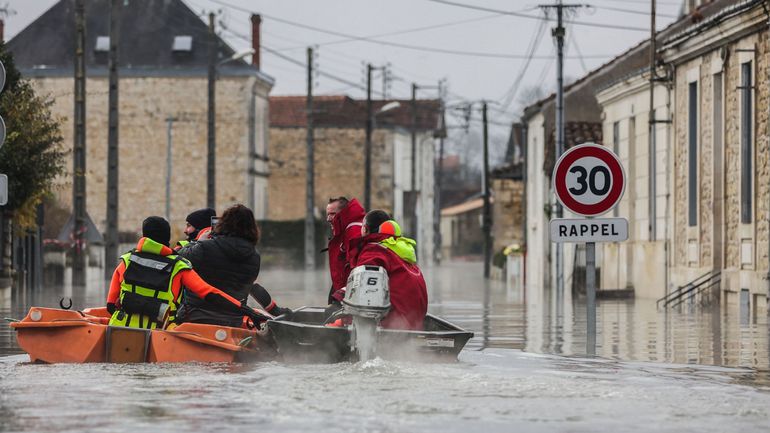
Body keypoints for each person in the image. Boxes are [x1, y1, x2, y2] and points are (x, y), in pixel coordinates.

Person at [106, 216, 263, 330]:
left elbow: (111, 305)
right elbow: (210, 293)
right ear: (166, 238)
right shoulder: (179, 266)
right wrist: (248, 311)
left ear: (144, 236)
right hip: (161, 332)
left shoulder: (126, 261)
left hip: (119, 329)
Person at [177, 204, 288, 326]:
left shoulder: (205, 248)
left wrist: (199, 242)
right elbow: (250, 286)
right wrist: (275, 310)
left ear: (223, 224)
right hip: (233, 321)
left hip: (195, 316)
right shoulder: (254, 257)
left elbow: (177, 258)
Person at [351, 210, 428, 330]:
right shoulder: (401, 252)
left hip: (395, 325)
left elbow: (365, 292)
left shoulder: (374, 251)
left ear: (365, 229)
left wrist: (338, 300)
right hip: (416, 324)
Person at [325, 196, 366, 304]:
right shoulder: (346, 231)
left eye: (332, 214)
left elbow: (359, 268)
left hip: (350, 295)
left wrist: (342, 293)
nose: (328, 218)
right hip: (345, 291)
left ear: (343, 213)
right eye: (327, 214)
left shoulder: (354, 232)